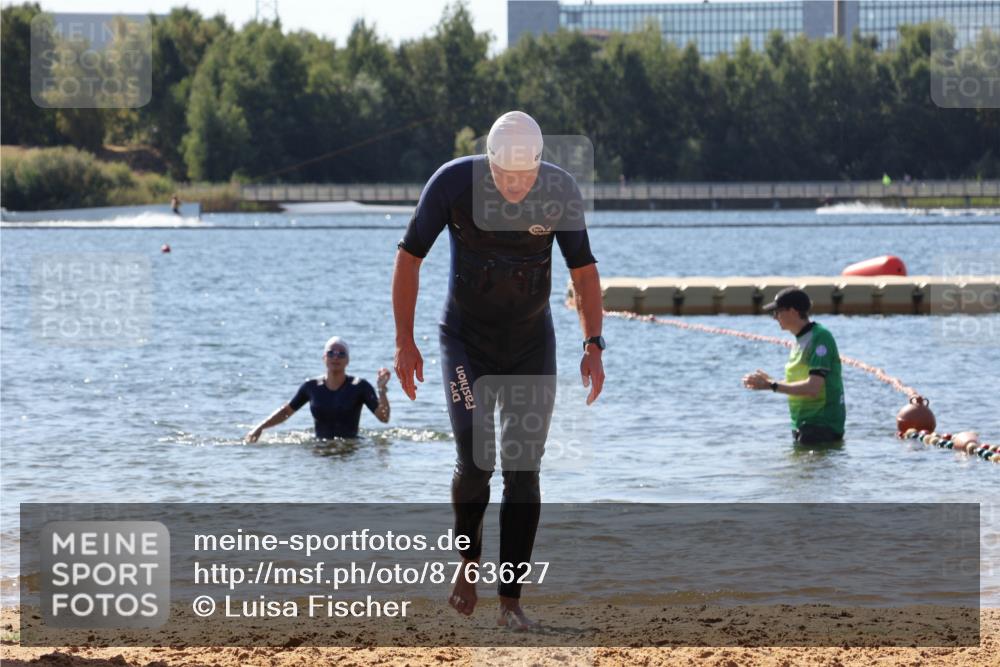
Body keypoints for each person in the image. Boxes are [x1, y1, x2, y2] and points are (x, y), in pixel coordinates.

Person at [392, 110, 605, 630]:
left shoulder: (559, 190)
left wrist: (593, 344)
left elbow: (584, 269)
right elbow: (409, 257)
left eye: (523, 177)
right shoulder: (452, 183)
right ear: (488, 164)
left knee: (523, 471)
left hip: (532, 345)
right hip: (465, 342)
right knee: (475, 461)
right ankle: (468, 563)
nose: (513, 187)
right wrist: (405, 341)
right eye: (504, 177)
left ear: (538, 167)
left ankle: (511, 601)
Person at [742, 288, 846, 445]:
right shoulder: (799, 340)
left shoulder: (820, 337)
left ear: (792, 311)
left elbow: (813, 388)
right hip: (802, 424)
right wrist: (770, 383)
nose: (774, 317)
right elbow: (799, 382)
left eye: (777, 312)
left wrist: (772, 385)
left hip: (822, 425)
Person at [245, 336, 390, 442]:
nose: (336, 357)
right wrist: (259, 428)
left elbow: (383, 418)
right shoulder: (311, 387)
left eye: (341, 353)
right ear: (324, 358)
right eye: (331, 353)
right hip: (320, 447)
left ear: (348, 360)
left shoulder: (359, 386)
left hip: (351, 448)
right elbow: (286, 412)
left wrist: (382, 390)